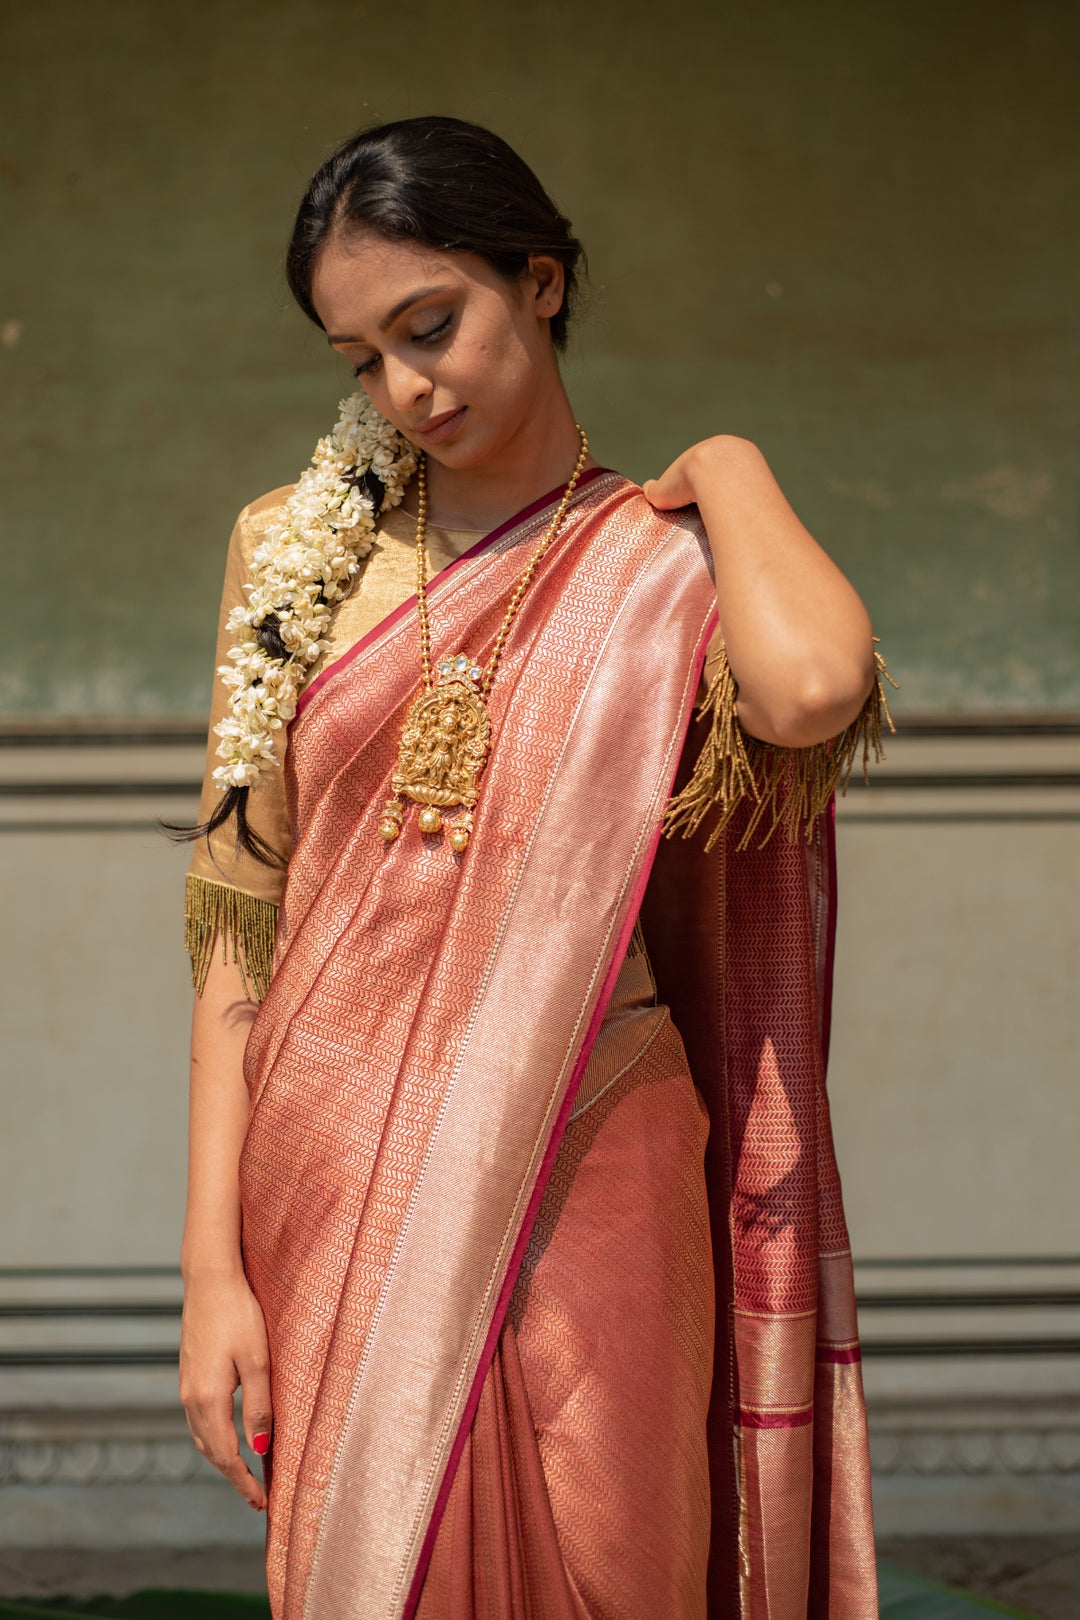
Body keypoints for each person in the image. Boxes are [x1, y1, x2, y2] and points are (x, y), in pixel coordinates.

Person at [176, 115, 891, 1620]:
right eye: (363, 357)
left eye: (431, 325)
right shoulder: (292, 548)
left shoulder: (662, 563)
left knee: (616, 1565)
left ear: (543, 280)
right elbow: (241, 922)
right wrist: (208, 1275)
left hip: (593, 1146)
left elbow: (815, 690)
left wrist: (733, 466)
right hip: (333, 1166)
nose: (407, 387)